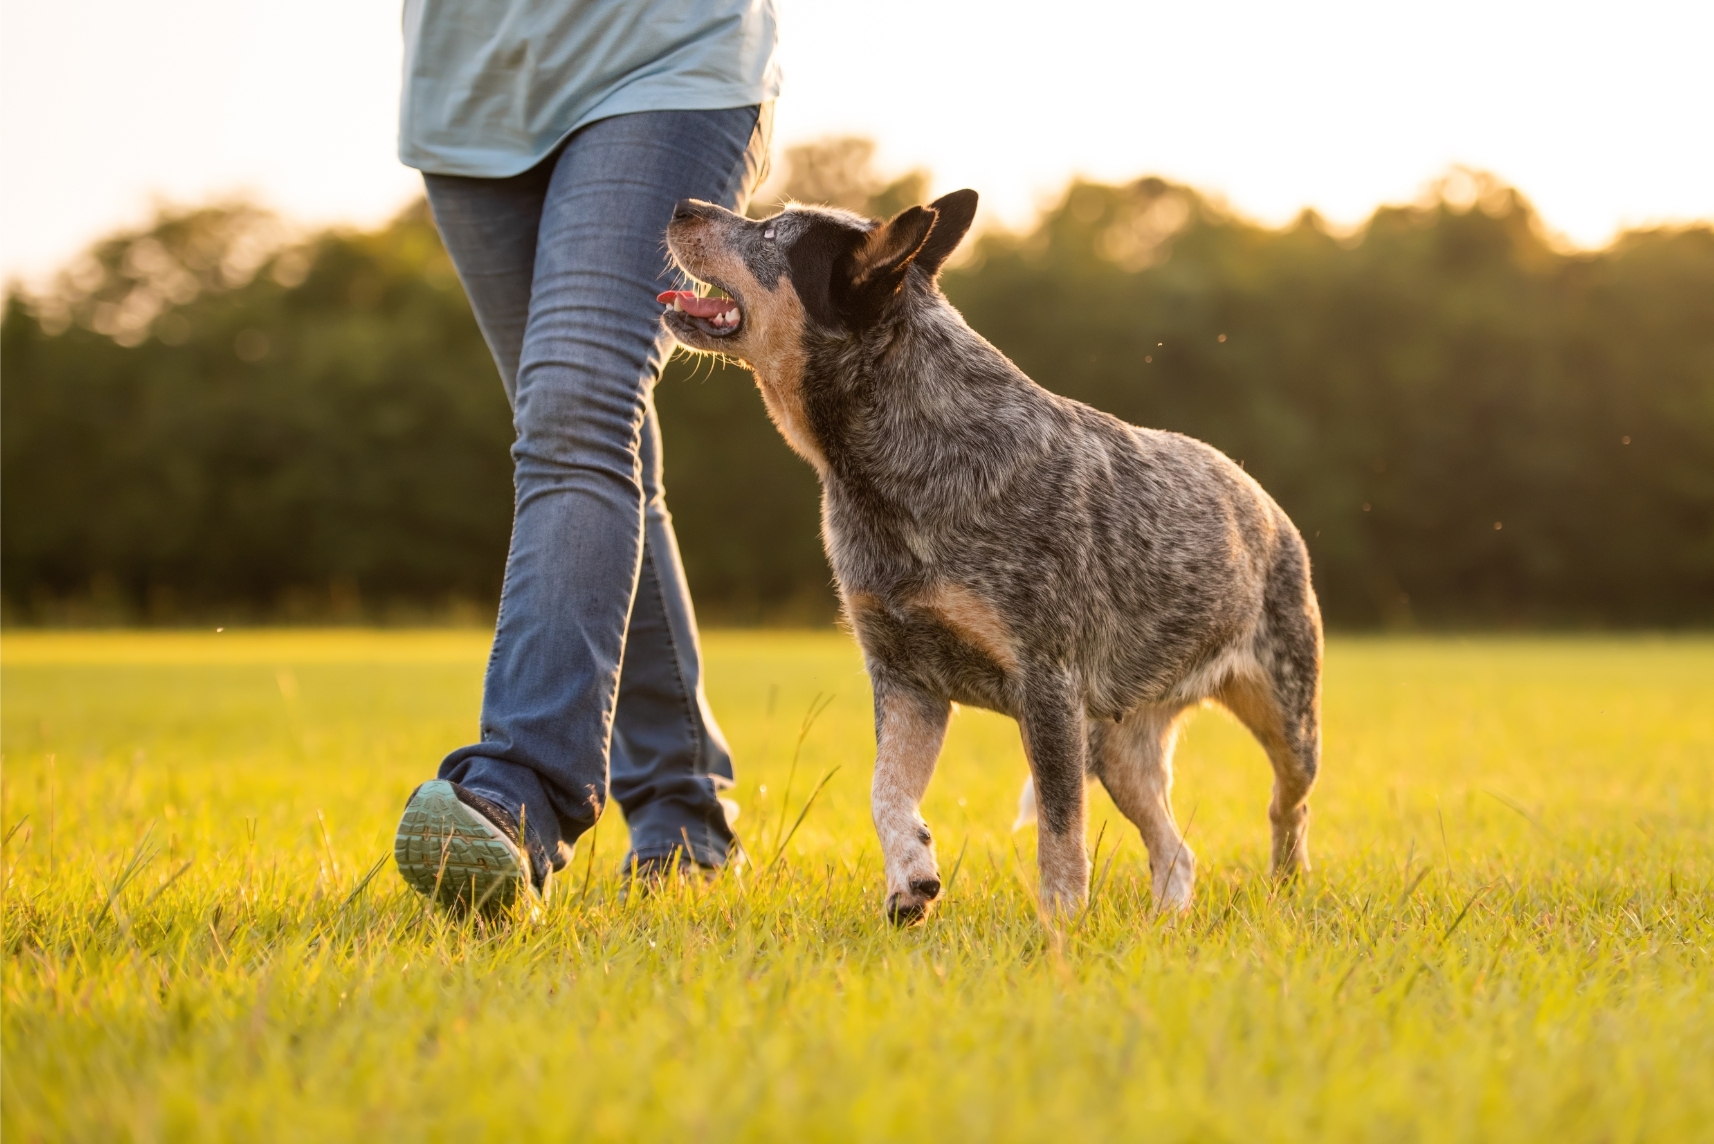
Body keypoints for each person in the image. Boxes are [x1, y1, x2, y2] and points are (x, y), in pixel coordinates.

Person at [391, 0, 781, 912]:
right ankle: (682, 810)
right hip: (471, 97)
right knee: (588, 438)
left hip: (664, 61)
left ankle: (517, 792)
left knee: (578, 414)